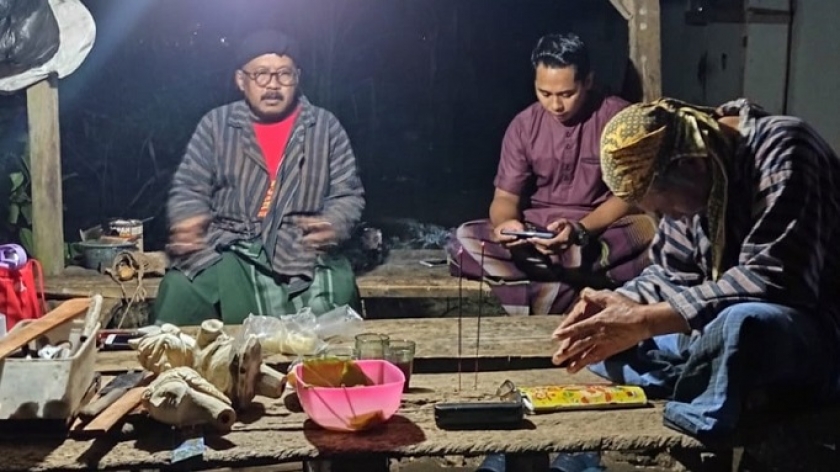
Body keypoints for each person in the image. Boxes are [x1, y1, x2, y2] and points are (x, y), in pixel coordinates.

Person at [552, 97, 840, 445]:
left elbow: (772, 279)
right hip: (715, 322)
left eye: (664, 207)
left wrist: (644, 321)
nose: (668, 218)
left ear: (691, 164)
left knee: (738, 326)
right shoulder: (698, 176)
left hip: (811, 330)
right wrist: (617, 306)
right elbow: (672, 275)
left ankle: (707, 385)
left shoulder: (786, 150)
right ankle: (715, 377)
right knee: (606, 342)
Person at [151, 30, 365, 326]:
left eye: (284, 74)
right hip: (229, 245)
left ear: (297, 77)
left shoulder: (325, 127)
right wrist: (188, 220)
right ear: (241, 81)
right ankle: (183, 370)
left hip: (299, 247)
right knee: (180, 289)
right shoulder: (217, 125)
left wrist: (333, 223)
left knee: (335, 294)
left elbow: (348, 194)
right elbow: (189, 186)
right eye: (261, 74)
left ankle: (309, 372)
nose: (273, 85)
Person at [449, 33, 655, 317]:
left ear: (588, 82)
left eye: (567, 94)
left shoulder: (618, 118)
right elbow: (505, 197)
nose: (555, 106)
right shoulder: (524, 125)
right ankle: (565, 279)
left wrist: (580, 230)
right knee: (464, 238)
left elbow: (632, 196)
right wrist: (507, 225)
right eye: (545, 93)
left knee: (648, 232)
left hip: (598, 229)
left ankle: (542, 281)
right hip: (541, 231)